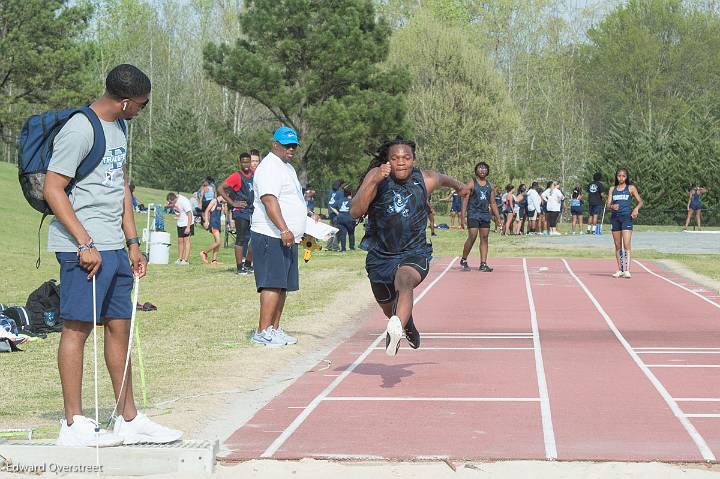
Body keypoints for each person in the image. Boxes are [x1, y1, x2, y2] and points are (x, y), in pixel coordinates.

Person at [43, 64, 181, 447]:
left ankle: (129, 418)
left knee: (121, 327)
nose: (141, 110)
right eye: (140, 104)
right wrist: (85, 244)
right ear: (124, 102)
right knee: (77, 329)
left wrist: (133, 242)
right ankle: (73, 425)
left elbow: (121, 187)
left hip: (115, 249)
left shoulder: (119, 128)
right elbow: (55, 189)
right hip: (83, 250)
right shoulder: (80, 128)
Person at [350, 136, 470, 356]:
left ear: (414, 160)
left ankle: (396, 329)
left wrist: (461, 187)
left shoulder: (424, 180)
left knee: (404, 281)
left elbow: (443, 179)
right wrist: (374, 180)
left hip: (414, 252)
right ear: (387, 161)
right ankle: (406, 326)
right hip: (380, 256)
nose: (401, 162)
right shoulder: (377, 176)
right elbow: (355, 211)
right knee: (390, 310)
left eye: (406, 157)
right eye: (395, 158)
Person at [249, 126, 309, 347]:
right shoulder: (269, 168)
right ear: (275, 144)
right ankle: (262, 331)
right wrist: (284, 229)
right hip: (270, 234)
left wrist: (308, 216)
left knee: (283, 285)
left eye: (294, 146)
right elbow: (269, 200)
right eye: (286, 145)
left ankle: (274, 328)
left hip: (287, 236)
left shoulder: (288, 168)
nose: (291, 149)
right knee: (272, 284)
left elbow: (292, 199)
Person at [460, 162, 503, 272]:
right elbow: (465, 200)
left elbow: (493, 203)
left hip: (485, 214)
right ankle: (464, 259)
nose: (482, 170)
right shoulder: (471, 183)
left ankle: (483, 264)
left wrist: (498, 218)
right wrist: (463, 216)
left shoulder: (490, 185)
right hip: (473, 213)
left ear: (487, 171)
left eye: (484, 168)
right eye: (480, 168)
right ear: (476, 170)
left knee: (484, 238)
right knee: (472, 236)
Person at [218, 152, 255, 275]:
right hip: (241, 211)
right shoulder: (236, 176)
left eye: (248, 162)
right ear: (240, 163)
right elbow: (220, 188)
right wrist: (233, 203)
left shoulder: (255, 175)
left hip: (253, 211)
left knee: (255, 238)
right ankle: (240, 267)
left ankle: (248, 265)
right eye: (243, 162)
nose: (246, 164)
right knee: (241, 238)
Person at [607, 167, 644, 278]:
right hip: (615, 218)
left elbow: (641, 201)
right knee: (618, 245)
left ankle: (627, 270)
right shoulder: (612, 189)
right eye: (619, 175)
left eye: (623, 176)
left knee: (626, 244)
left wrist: (636, 209)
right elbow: (608, 205)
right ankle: (620, 269)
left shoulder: (631, 188)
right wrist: (612, 206)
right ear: (616, 176)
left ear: (626, 177)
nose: (621, 178)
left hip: (627, 218)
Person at [166, 192, 193, 265]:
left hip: (187, 223)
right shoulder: (174, 200)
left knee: (186, 241)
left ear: (174, 199)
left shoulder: (183, 201)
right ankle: (180, 259)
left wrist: (188, 227)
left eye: (171, 202)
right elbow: (173, 205)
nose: (171, 204)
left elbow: (190, 214)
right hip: (180, 223)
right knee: (180, 241)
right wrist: (168, 206)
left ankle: (185, 260)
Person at [201, 195, 225, 264]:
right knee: (218, 242)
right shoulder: (214, 201)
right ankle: (204, 252)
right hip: (213, 224)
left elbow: (224, 213)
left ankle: (214, 260)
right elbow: (206, 211)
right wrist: (206, 221)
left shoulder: (221, 204)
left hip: (218, 224)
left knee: (218, 243)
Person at [336, 186, 356, 251]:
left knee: (342, 234)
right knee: (351, 233)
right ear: (350, 194)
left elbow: (331, 206)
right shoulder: (352, 201)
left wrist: (338, 213)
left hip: (341, 218)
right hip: (350, 218)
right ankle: (351, 247)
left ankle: (343, 248)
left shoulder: (339, 200)